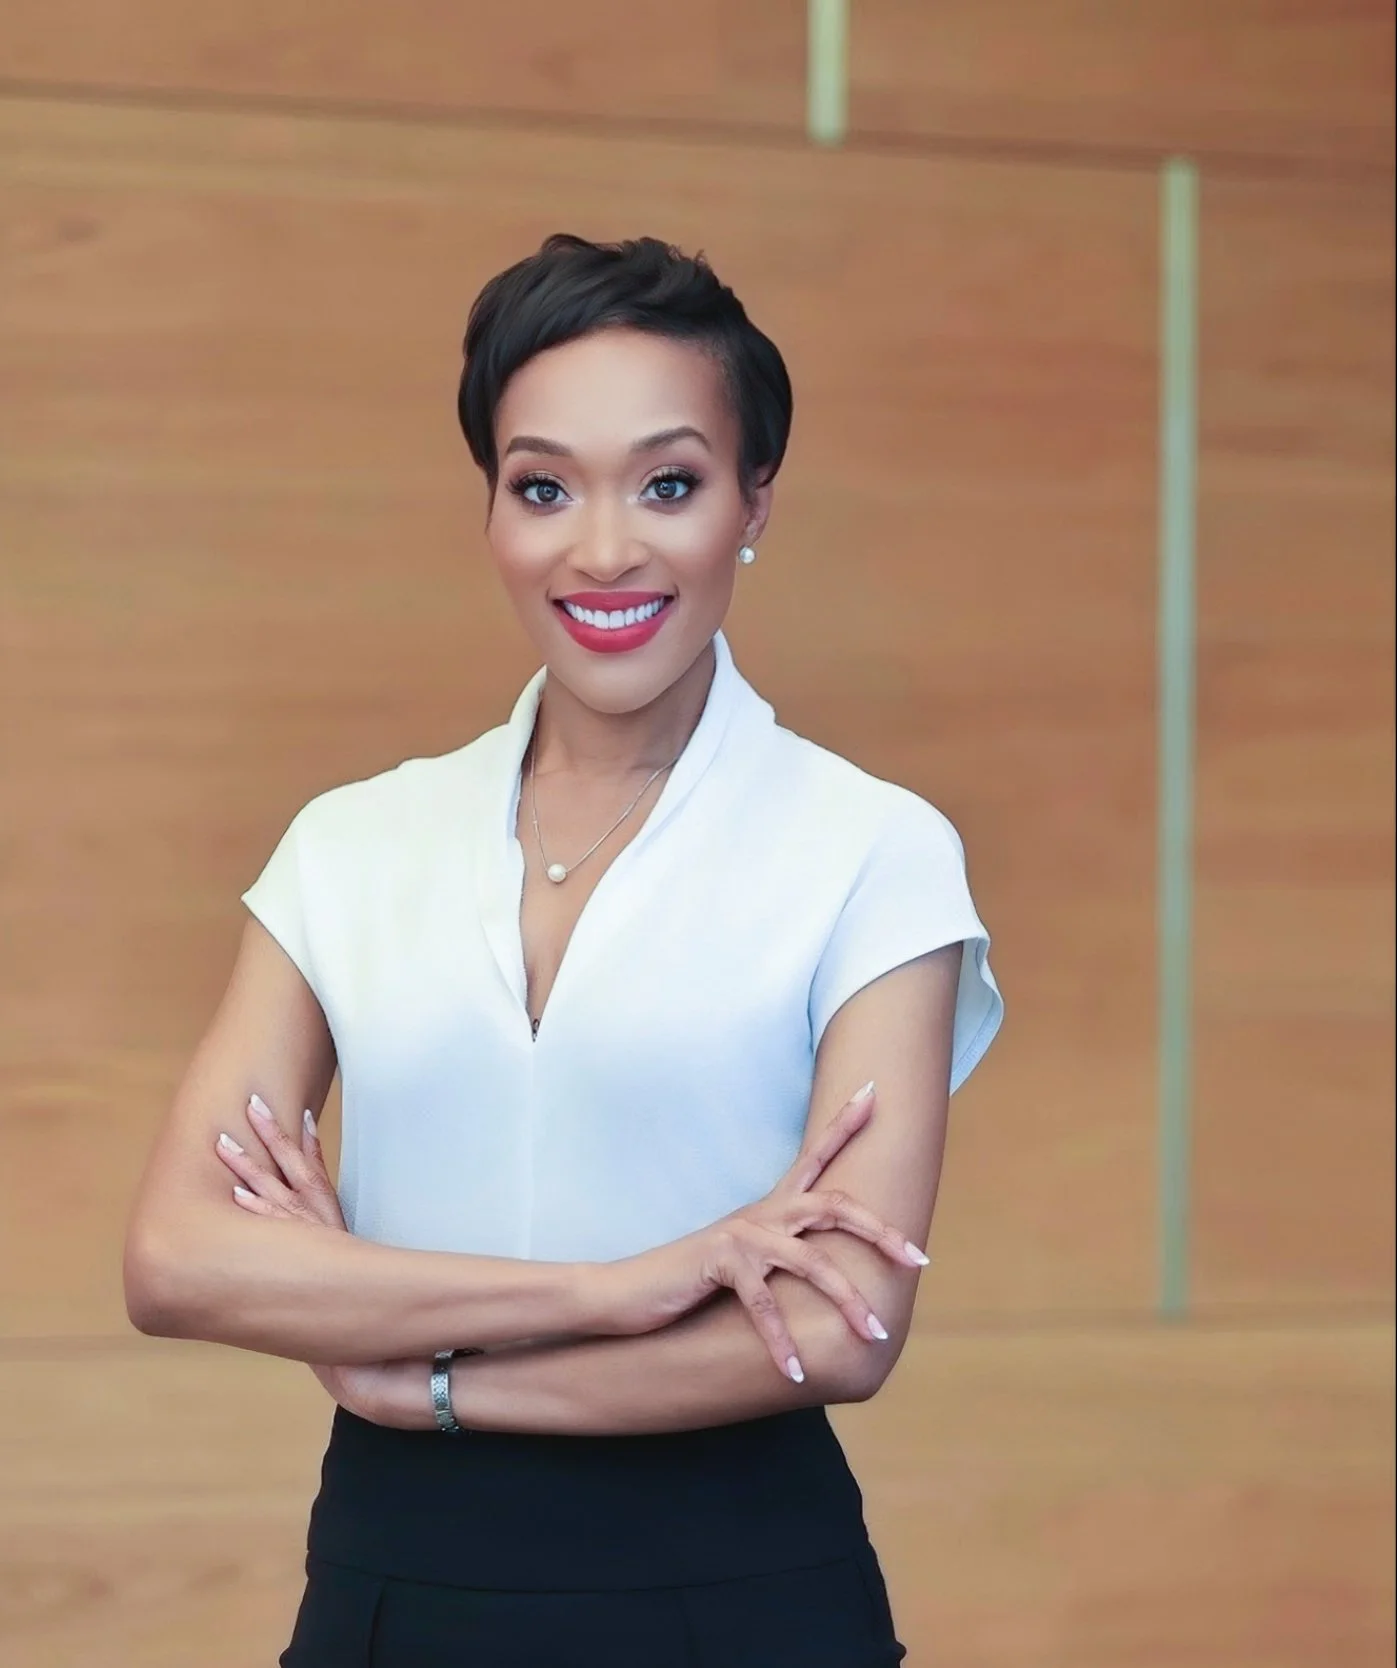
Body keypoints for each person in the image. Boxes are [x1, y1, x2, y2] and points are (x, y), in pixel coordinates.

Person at [123, 233, 1003, 1666]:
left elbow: (841, 1327)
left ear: (754, 502)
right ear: (492, 513)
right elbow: (175, 1259)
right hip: (389, 1597)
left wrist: (426, 1375)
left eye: (670, 482)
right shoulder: (354, 843)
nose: (603, 549)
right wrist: (621, 1290)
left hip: (739, 1601)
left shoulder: (872, 846)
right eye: (543, 487)